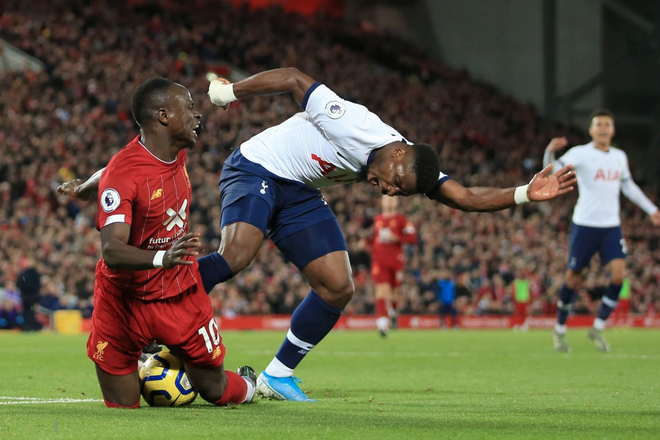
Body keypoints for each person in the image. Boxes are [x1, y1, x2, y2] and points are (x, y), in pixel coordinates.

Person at [200, 67, 576, 401]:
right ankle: (155, 301)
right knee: (237, 255)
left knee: (337, 286)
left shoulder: (413, 167)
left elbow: (464, 197)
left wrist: (525, 193)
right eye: (395, 183)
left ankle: (277, 376)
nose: (390, 191)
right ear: (397, 154)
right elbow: (294, 78)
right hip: (257, 166)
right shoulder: (353, 124)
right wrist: (229, 92)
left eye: (400, 192)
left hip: (300, 191)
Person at [57, 78, 256, 408]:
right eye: (189, 108)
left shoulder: (172, 151)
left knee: (215, 390)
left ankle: (250, 384)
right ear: (164, 116)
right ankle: (149, 361)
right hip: (124, 300)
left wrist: (85, 188)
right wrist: (162, 256)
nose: (197, 117)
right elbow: (112, 250)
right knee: (123, 406)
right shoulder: (125, 174)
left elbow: (110, 170)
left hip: (178, 293)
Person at [543, 109, 660, 353]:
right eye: (599, 124)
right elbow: (553, 172)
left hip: (610, 227)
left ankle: (597, 328)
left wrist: (651, 209)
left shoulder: (619, 156)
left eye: (607, 124)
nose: (603, 128)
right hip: (585, 225)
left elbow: (628, 186)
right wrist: (550, 152)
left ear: (613, 130)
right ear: (591, 130)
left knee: (618, 276)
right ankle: (560, 330)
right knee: (574, 278)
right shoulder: (581, 153)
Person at [368, 195, 417, 337]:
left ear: (396, 202)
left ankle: (393, 312)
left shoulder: (401, 220)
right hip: (379, 260)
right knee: (382, 289)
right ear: (381, 202)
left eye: (392, 198)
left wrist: (397, 238)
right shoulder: (377, 219)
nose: (389, 200)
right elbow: (374, 239)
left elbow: (412, 238)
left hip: (396, 260)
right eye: (386, 198)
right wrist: (366, 243)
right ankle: (382, 323)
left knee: (394, 293)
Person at [16, 259, 42, 331]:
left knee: (28, 312)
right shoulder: (34, 274)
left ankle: (28, 327)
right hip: (29, 297)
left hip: (28, 297)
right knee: (29, 312)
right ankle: (28, 327)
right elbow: (37, 286)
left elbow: (20, 284)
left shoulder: (25, 274)